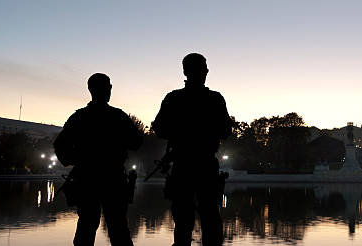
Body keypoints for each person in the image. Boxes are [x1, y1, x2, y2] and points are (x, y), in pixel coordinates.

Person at [152, 53, 232, 246]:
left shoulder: (174, 98)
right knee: (209, 218)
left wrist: (179, 133)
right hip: (204, 165)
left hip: (184, 165)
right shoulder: (214, 99)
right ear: (205, 72)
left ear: (185, 72)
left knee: (184, 221)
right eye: (203, 68)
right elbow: (226, 131)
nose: (204, 72)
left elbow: (160, 129)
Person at [54, 73, 143, 246]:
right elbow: (136, 142)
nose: (109, 90)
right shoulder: (118, 116)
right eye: (108, 87)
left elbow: (60, 146)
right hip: (113, 178)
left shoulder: (79, 117)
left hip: (87, 179)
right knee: (118, 228)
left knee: (86, 227)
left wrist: (78, 161)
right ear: (108, 89)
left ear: (90, 90)